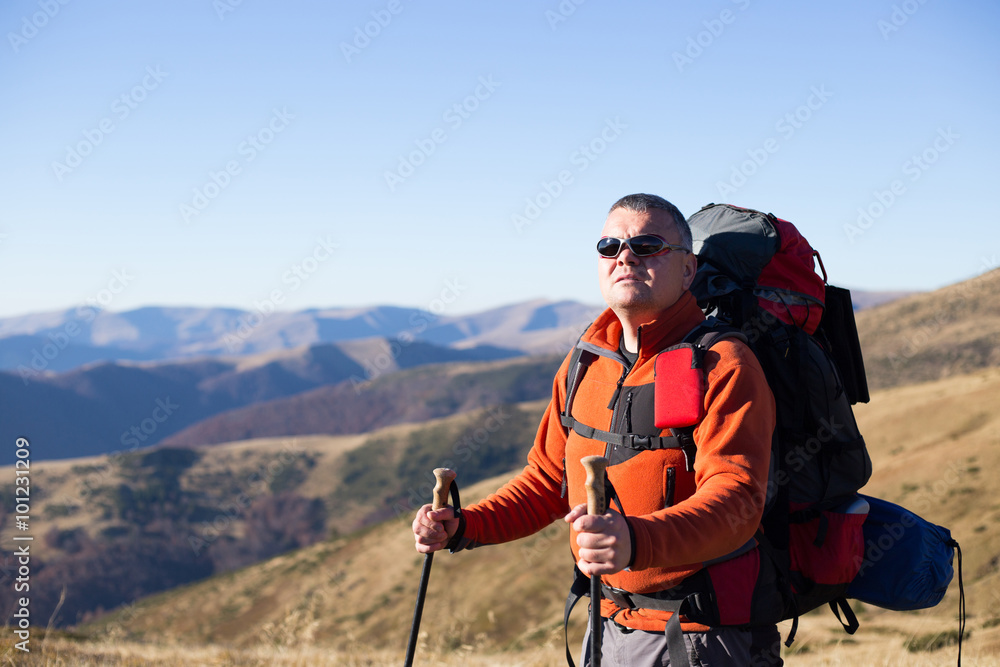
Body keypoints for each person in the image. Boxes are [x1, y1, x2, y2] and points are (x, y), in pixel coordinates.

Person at [412, 193, 781, 666]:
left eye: (648, 245)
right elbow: (548, 481)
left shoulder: (723, 363)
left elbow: (737, 501)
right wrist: (465, 525)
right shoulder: (586, 361)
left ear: (688, 269)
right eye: (610, 245)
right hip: (605, 625)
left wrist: (636, 540)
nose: (625, 256)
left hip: (704, 636)